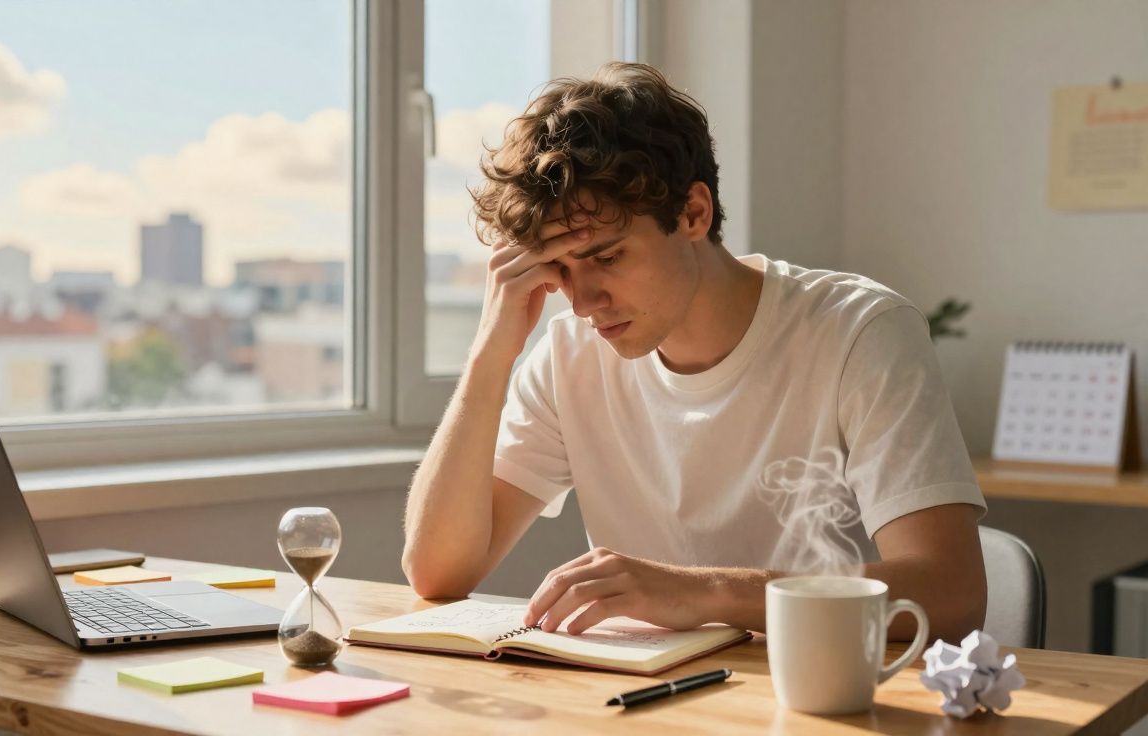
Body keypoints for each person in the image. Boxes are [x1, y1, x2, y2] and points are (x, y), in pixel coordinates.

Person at [402, 62, 986, 642]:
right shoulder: (567, 358)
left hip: (827, 692)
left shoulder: (859, 331)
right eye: (561, 270)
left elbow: (951, 593)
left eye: (607, 258)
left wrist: (699, 592)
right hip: (646, 702)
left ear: (692, 213)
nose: (582, 302)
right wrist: (490, 353)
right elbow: (436, 572)